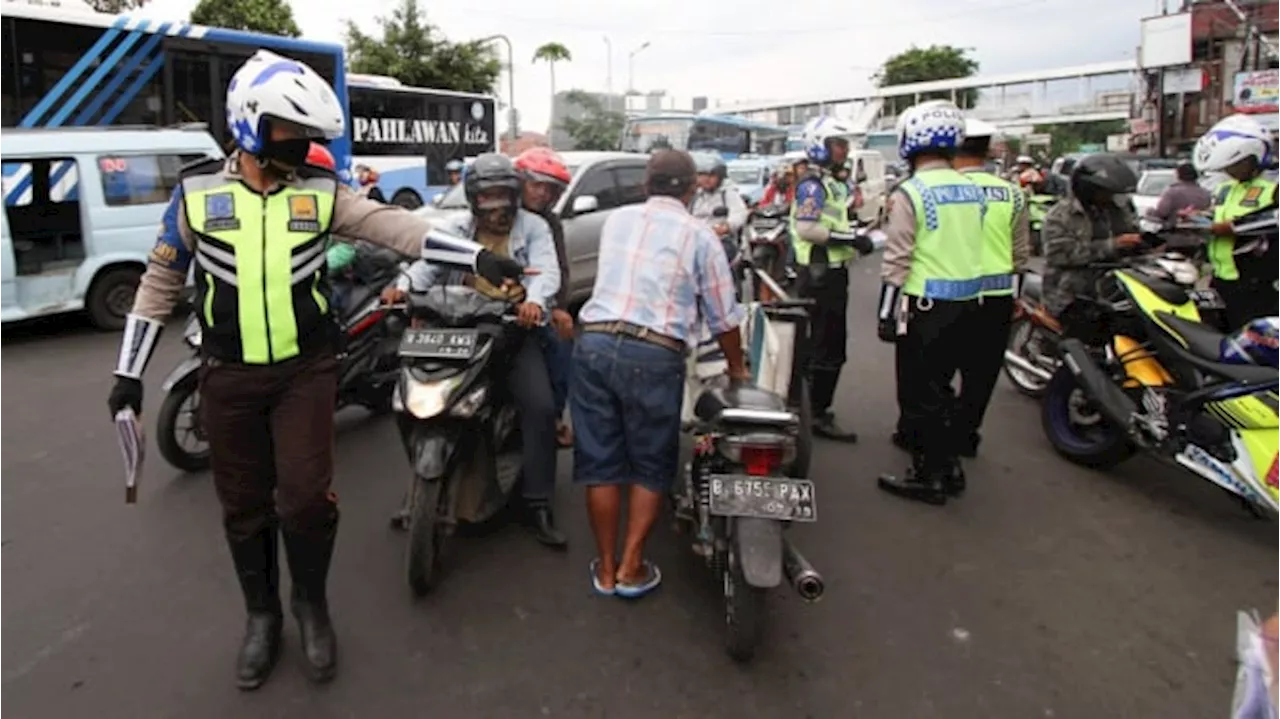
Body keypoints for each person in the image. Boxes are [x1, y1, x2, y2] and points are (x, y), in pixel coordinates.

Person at [104, 50, 524, 691]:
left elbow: (395, 227)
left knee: (305, 501)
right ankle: (263, 616)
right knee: (243, 508)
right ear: (249, 124)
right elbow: (160, 279)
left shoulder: (322, 193)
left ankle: (310, 606)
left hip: (306, 372)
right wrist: (128, 373)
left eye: (309, 136)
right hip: (228, 376)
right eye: (290, 132)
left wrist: (476, 258)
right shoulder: (196, 193)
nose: (302, 146)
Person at [572, 150, 749, 597]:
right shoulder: (701, 236)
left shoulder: (617, 221)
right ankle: (632, 567)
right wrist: (737, 368)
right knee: (650, 463)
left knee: (601, 463)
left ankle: (606, 569)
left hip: (593, 344)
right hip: (654, 353)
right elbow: (724, 317)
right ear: (692, 190)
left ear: (645, 185)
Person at [383, 153, 567, 548]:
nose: (498, 205)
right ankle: (420, 484)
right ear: (473, 198)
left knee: (540, 408)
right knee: (407, 399)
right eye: (489, 196)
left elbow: (547, 271)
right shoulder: (454, 228)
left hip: (512, 329)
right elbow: (426, 264)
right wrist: (402, 285)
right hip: (454, 329)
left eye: (506, 195)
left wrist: (534, 302)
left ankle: (538, 503)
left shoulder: (533, 227)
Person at [875, 100, 986, 505]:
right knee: (945, 390)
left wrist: (886, 314)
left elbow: (898, 257)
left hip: (926, 306)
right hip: (970, 303)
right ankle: (951, 466)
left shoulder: (912, 193)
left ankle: (928, 476)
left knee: (919, 394)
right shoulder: (972, 190)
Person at [948, 118, 1032, 460]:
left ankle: (936, 439)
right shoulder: (1013, 192)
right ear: (986, 151)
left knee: (936, 371)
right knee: (980, 374)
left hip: (949, 295)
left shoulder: (943, 190)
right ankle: (966, 435)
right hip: (997, 297)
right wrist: (1016, 295)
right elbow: (1020, 254)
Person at [791, 115, 875, 442]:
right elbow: (807, 229)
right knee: (827, 346)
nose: (844, 150)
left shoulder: (830, 182)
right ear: (820, 145)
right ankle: (817, 414)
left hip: (830, 272)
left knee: (823, 344)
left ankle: (811, 409)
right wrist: (851, 240)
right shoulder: (813, 184)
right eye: (838, 144)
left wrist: (855, 234)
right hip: (819, 274)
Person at [513, 146, 576, 447]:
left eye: (548, 188)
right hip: (484, 304)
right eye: (535, 184)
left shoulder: (548, 223)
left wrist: (559, 308)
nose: (541, 193)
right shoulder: (492, 213)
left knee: (562, 347)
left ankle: (554, 418)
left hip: (535, 307)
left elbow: (558, 268)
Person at [1194, 114, 1280, 329]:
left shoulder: (1274, 184)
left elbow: (1271, 219)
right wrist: (1196, 218)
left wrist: (1231, 228)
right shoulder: (1226, 188)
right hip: (1221, 278)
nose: (1229, 171)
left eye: (1235, 164)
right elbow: (1216, 215)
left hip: (1258, 282)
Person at [1040, 154, 1143, 318]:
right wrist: (1112, 245)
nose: (1111, 197)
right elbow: (1059, 254)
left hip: (1113, 289)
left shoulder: (1117, 210)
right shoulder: (1061, 215)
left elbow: (1132, 233)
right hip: (1070, 295)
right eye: (1106, 192)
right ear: (1089, 189)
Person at [690, 153, 749, 251]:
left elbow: (739, 213)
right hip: (696, 239)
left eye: (711, 175)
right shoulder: (695, 196)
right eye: (702, 175)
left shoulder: (728, 193)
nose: (706, 179)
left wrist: (727, 226)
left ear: (720, 176)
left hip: (721, 240)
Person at [1147, 161, 1211, 223]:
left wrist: (1150, 212)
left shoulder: (1171, 192)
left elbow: (1162, 212)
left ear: (1178, 175)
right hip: (1202, 229)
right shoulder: (1205, 193)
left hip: (1175, 230)